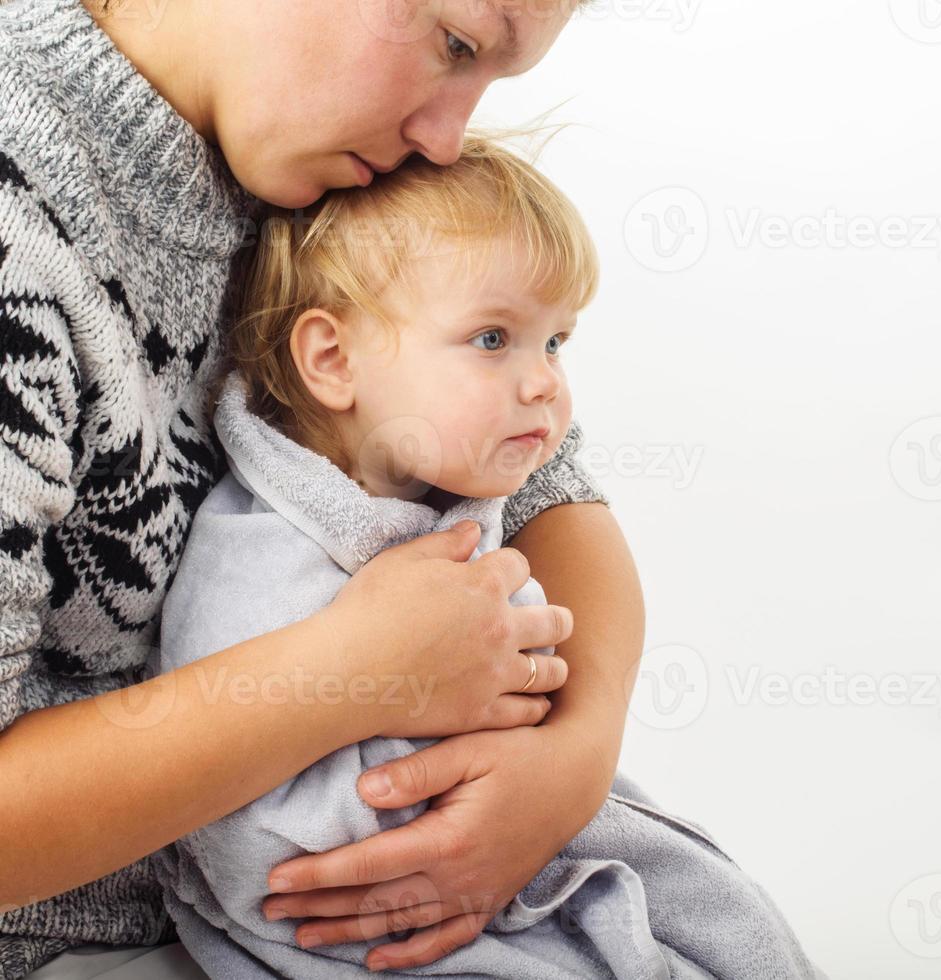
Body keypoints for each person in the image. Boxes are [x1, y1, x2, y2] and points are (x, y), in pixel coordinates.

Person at [0, 0, 647, 976]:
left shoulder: (310, 154)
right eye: (456, 44)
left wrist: (572, 756)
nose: (444, 136)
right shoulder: (25, 215)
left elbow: (550, 487)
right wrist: (356, 669)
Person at [150, 136, 825, 979]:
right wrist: (431, 817)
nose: (544, 382)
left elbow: (568, 522)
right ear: (332, 359)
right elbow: (246, 839)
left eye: (556, 343)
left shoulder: (445, 488)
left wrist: (551, 780)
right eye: (493, 338)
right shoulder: (258, 559)